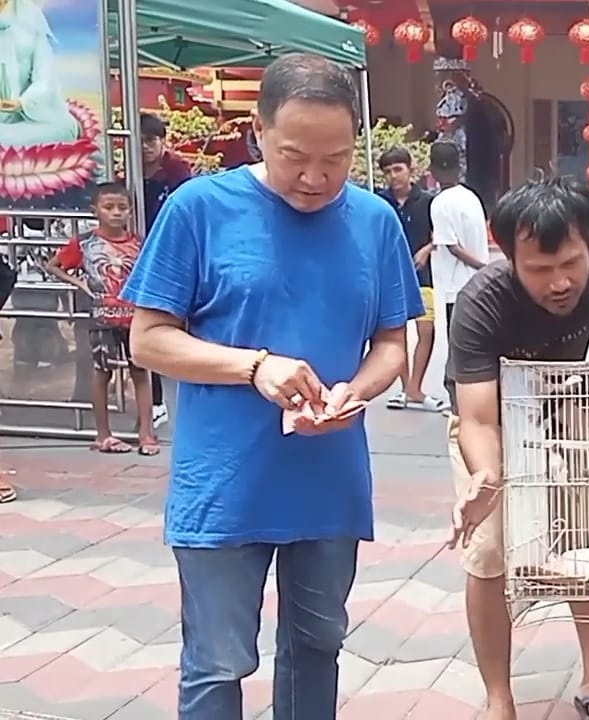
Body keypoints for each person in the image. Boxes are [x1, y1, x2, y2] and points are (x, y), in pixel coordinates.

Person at [120, 54, 420, 720]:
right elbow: (149, 339)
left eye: (336, 160)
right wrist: (255, 367)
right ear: (257, 132)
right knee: (217, 662)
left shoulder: (373, 222)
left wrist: (356, 391)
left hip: (328, 477)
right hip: (226, 480)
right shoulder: (200, 209)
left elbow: (394, 343)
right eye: (294, 156)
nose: (315, 178)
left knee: (317, 646)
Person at [445, 176, 589, 720]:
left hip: (566, 400)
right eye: (539, 269)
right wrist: (487, 477)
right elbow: (477, 417)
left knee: (585, 537)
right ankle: (499, 697)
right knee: (489, 550)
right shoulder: (481, 300)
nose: (560, 283)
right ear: (509, 258)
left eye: (571, 264)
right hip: (494, 415)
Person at [46, 183, 158, 455]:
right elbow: (53, 265)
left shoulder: (139, 243)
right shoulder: (85, 243)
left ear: (130, 210)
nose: (116, 213)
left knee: (140, 372)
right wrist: (80, 285)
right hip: (101, 318)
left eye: (122, 207)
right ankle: (103, 435)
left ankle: (146, 434)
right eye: (109, 207)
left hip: (134, 318)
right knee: (102, 372)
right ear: (95, 210)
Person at [378, 146, 447, 412]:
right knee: (396, 332)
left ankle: (415, 386)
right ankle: (406, 389)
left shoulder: (430, 201)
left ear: (410, 169)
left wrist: (428, 249)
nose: (393, 176)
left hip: (422, 276)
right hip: (391, 276)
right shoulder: (381, 202)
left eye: (398, 169)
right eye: (388, 171)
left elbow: (441, 234)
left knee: (426, 330)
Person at [139, 111, 193, 428]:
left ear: (162, 142)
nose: (146, 148)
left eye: (151, 141)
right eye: (141, 141)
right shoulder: (127, 173)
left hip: (172, 247)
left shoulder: (176, 172)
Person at [0, 0, 81, 147]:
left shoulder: (31, 15)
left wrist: (22, 103)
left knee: (66, 127)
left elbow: (44, 76)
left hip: (25, 117)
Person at [428, 142, 489, 328]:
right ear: (459, 167)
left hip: (457, 291)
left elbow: (453, 248)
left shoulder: (439, 204)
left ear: (432, 170)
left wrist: (483, 266)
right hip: (479, 287)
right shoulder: (472, 197)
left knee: (459, 349)